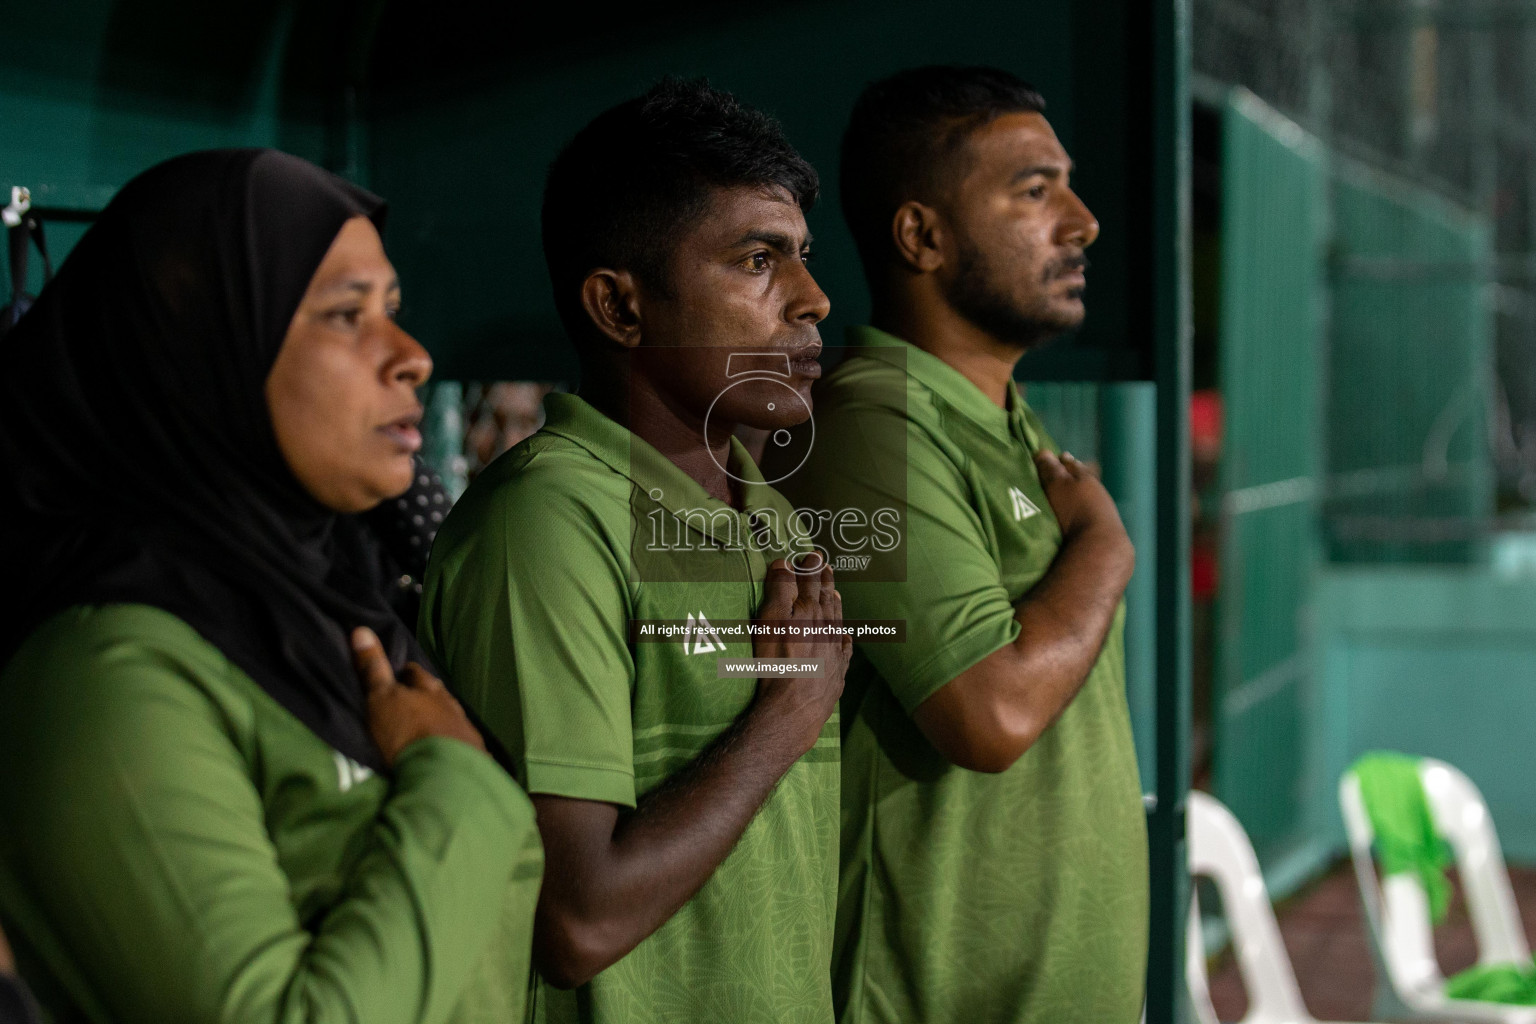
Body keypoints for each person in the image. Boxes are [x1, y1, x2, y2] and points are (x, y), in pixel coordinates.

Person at [0, 149, 543, 1024]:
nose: (411, 356)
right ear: (203, 348)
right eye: (345, 316)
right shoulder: (104, 673)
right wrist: (453, 780)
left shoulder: (338, 607)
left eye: (394, 311)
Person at [419, 78, 849, 1023]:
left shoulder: (772, 513)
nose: (813, 299)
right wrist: (786, 716)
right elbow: (578, 922)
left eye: (803, 260)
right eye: (755, 261)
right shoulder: (546, 524)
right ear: (620, 308)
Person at [771, 66, 1148, 1024]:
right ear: (921, 236)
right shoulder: (872, 426)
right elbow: (990, 715)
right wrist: (1104, 547)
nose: (1082, 221)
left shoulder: (1003, 418)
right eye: (1035, 189)